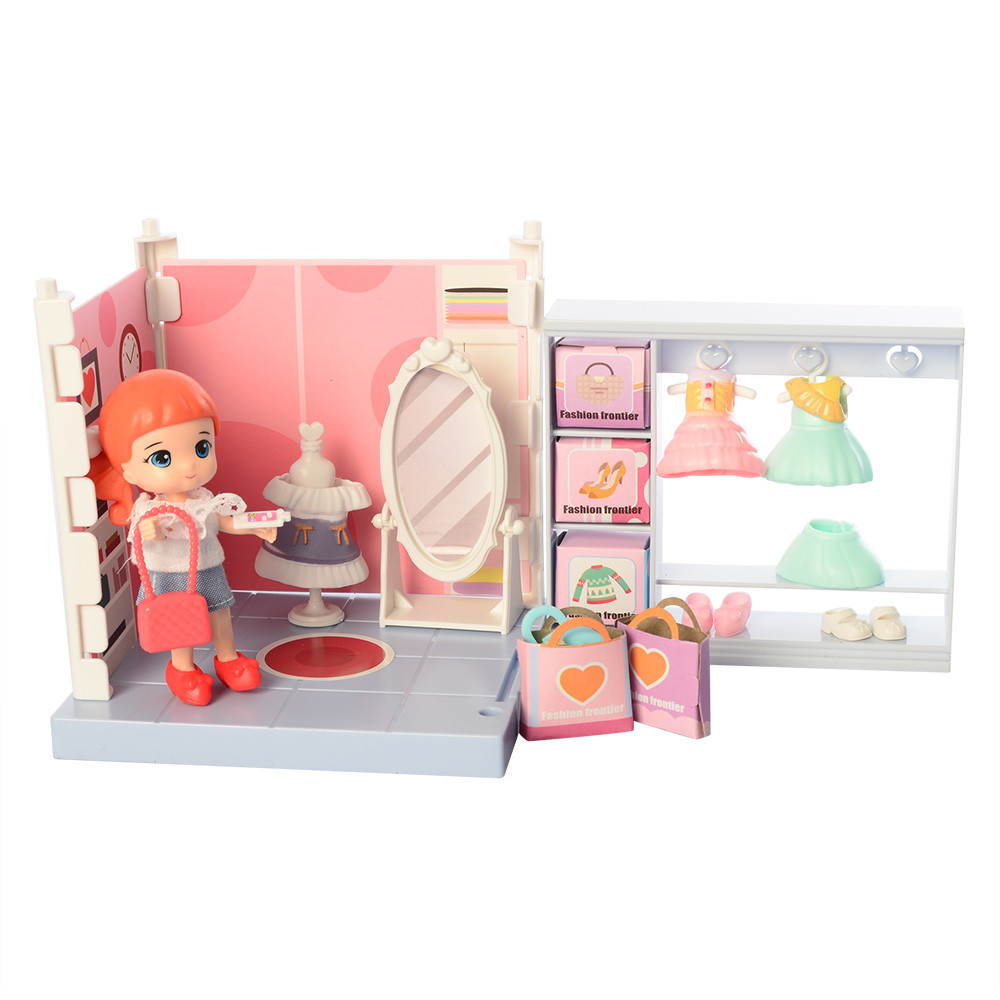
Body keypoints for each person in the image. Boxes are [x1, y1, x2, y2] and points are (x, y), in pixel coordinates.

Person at [88, 369, 276, 705]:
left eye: (201, 447)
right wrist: (154, 532)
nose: (189, 466)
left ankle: (228, 658)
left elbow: (219, 520)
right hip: (171, 575)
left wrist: (251, 526)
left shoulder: (203, 498)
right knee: (180, 622)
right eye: (162, 458)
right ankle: (182, 669)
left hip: (208, 568)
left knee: (220, 612)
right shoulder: (149, 509)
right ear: (126, 470)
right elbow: (146, 536)